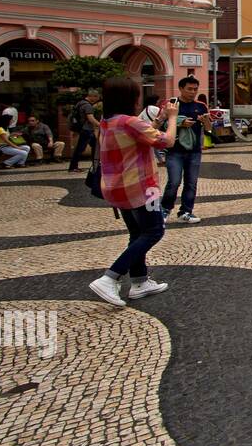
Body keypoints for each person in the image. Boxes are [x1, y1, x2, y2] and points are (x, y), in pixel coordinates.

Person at [88, 76, 177, 307]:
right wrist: (173, 118)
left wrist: (158, 119)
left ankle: (139, 281)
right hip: (142, 188)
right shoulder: (130, 122)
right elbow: (166, 141)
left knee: (137, 233)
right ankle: (110, 277)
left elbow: (141, 137)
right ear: (130, 98)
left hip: (116, 188)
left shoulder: (108, 122)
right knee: (154, 231)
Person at [162, 76, 210, 224]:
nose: (193, 92)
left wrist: (205, 121)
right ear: (181, 89)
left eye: (195, 89)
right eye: (189, 89)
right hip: (175, 150)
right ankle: (164, 209)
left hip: (194, 150)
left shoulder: (201, 106)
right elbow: (163, 124)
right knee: (174, 181)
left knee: (191, 182)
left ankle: (186, 211)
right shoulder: (172, 104)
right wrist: (180, 123)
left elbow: (209, 129)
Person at [67, 88, 102, 172]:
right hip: (86, 129)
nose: (97, 99)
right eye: (96, 97)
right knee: (80, 148)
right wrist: (101, 125)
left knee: (94, 146)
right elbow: (91, 118)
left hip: (83, 128)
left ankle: (95, 164)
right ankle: (73, 167)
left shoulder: (80, 103)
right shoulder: (87, 105)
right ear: (92, 96)